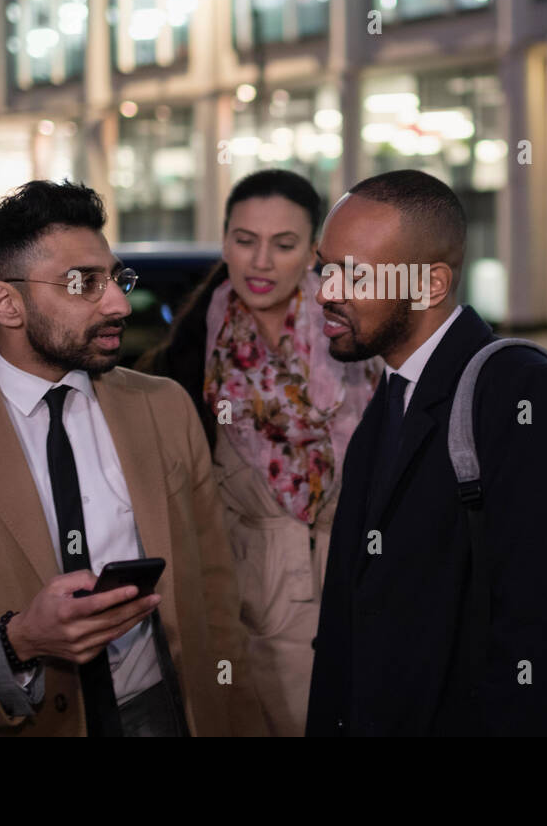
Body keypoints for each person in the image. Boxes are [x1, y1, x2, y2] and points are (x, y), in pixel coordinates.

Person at [0, 180, 265, 737]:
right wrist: (18, 643)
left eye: (116, 278)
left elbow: (216, 600)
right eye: (83, 284)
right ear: (6, 304)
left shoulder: (165, 407)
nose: (117, 302)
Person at [305, 170, 547, 736]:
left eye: (352, 274)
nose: (325, 291)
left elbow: (546, 646)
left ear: (431, 284)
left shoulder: (524, 395)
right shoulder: (390, 394)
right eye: (324, 267)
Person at [136, 169, 379, 736]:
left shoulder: (361, 337)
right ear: (225, 243)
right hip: (254, 612)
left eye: (284, 243)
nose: (261, 261)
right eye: (245, 241)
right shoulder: (191, 357)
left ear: (315, 252)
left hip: (362, 592)